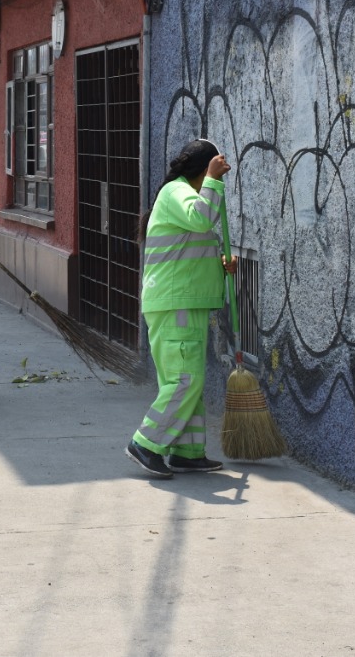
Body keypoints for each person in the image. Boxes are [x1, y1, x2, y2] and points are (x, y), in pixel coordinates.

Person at [126, 138, 238, 479]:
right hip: (177, 303)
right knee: (185, 379)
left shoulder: (182, 194)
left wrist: (220, 264)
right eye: (212, 172)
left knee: (187, 380)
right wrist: (216, 180)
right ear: (204, 169)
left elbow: (191, 245)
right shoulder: (179, 194)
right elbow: (201, 219)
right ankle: (146, 443)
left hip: (182, 300)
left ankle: (187, 452)